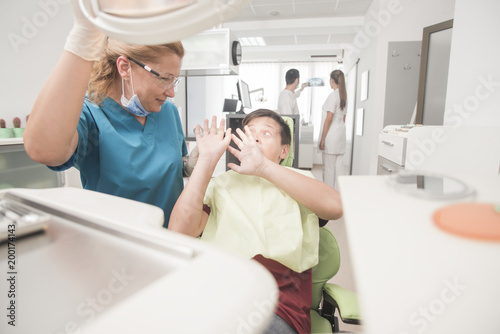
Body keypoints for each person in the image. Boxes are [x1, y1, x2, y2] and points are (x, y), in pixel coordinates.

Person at [23, 0, 196, 227]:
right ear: (125, 67)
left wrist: (190, 164)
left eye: (175, 80)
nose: (171, 92)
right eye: (164, 78)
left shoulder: (167, 111)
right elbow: (45, 150)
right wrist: (83, 37)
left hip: (172, 241)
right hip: (117, 248)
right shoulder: (92, 115)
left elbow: (170, 168)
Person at [169, 110, 343, 334]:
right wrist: (206, 161)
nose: (256, 137)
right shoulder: (220, 184)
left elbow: (335, 206)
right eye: (249, 132)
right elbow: (179, 231)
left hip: (275, 305)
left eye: (266, 133)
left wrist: (264, 168)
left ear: (284, 151)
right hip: (216, 293)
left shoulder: (298, 181)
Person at [319, 70, 347, 190]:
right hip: (340, 134)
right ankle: (340, 194)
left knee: (329, 169)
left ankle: (328, 194)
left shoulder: (333, 96)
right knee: (339, 168)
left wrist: (323, 138)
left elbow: (328, 118)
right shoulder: (344, 96)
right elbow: (344, 117)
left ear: (332, 80)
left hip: (331, 136)